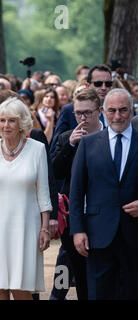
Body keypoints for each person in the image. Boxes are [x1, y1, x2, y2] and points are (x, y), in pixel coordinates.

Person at [0, 97, 52, 300]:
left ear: (22, 122)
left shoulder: (37, 149)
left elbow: (43, 193)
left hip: (25, 227)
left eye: (12, 120)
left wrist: (45, 228)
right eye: (2, 120)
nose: (6, 125)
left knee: (21, 288)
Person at [70, 88, 138, 299]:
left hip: (135, 234)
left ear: (132, 110)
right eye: (112, 110)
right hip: (97, 235)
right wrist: (78, 230)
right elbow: (76, 191)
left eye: (123, 110)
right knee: (99, 294)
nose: (117, 116)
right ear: (103, 111)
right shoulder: (89, 144)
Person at [50, 88, 104, 300]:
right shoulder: (66, 138)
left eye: (88, 113)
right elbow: (54, 172)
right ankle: (57, 295)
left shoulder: (110, 137)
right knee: (73, 266)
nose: (83, 118)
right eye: (78, 113)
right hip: (74, 217)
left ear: (99, 111)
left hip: (102, 214)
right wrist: (70, 145)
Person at [50, 64, 112, 154]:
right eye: (98, 84)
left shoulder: (118, 110)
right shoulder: (69, 110)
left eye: (108, 84)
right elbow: (55, 150)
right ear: (87, 85)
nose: (103, 88)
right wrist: (70, 144)